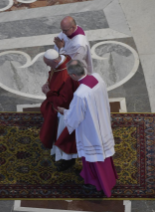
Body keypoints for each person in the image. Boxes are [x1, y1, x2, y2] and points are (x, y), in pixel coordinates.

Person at [57, 60, 118, 197]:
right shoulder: (97, 77)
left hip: (91, 129)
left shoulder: (80, 94)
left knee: (94, 157)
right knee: (103, 155)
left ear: (72, 75)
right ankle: (108, 179)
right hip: (102, 119)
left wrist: (64, 112)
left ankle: (99, 184)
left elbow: (75, 117)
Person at [39, 49, 80, 171]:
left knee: (64, 136)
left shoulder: (66, 77)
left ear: (56, 60)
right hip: (59, 106)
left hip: (65, 111)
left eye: (48, 63)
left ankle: (67, 160)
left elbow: (63, 101)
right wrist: (48, 83)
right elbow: (53, 73)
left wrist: (48, 93)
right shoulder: (64, 60)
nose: (47, 66)